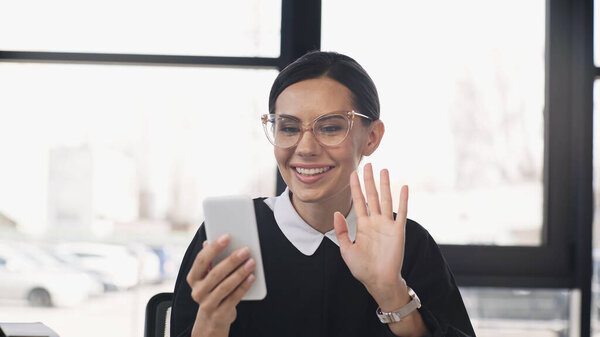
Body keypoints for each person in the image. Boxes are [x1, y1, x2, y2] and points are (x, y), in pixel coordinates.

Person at [171, 51, 476, 337]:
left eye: (330, 128)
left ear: (371, 137)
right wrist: (212, 321)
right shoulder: (228, 241)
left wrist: (394, 296)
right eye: (288, 128)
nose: (305, 148)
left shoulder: (408, 245)